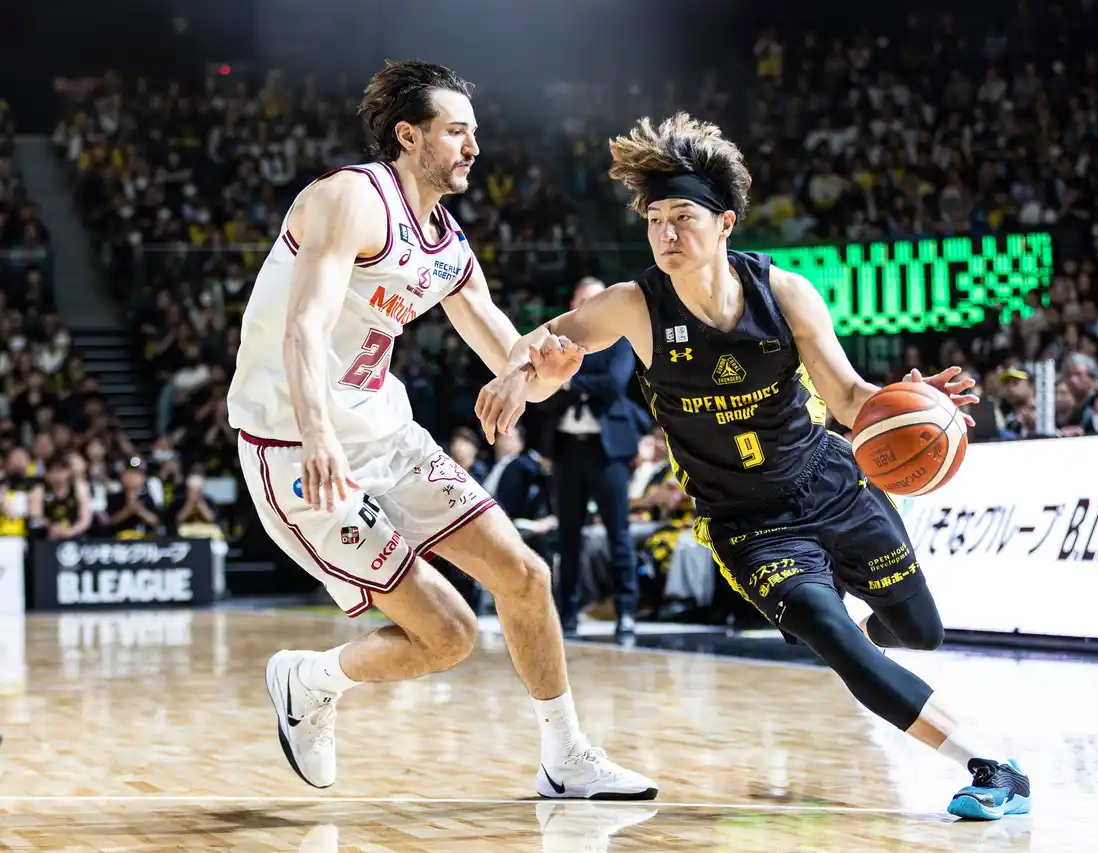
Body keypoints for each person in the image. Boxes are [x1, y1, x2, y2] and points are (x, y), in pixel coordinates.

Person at [476, 113, 1030, 820]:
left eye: (683, 218)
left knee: (921, 632)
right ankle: (994, 766)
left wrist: (909, 403)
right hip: (747, 523)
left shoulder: (786, 292)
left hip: (830, 485)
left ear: (725, 223)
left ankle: (863, 634)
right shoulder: (635, 305)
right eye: (655, 221)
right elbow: (542, 343)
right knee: (834, 639)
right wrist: (521, 375)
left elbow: (847, 396)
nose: (666, 234)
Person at [225, 60, 656, 801]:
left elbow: (510, 355)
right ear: (409, 136)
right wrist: (318, 434)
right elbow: (305, 326)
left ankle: (566, 758)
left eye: (474, 132)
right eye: (457, 131)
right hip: (296, 446)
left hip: (386, 433)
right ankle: (311, 680)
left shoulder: (448, 244)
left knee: (526, 576)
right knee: (449, 636)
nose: (473, 146)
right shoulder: (350, 198)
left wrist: (543, 371)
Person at [544, 278, 641, 639]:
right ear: (573, 302)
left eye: (595, 298)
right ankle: (567, 612)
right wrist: (569, 382)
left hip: (607, 449)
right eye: (583, 298)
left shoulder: (619, 339)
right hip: (567, 448)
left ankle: (626, 611)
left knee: (618, 531)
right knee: (568, 534)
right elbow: (544, 388)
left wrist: (569, 381)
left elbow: (614, 384)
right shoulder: (556, 341)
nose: (589, 304)